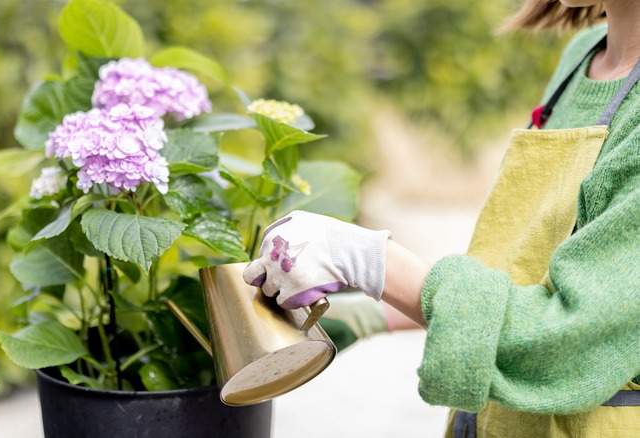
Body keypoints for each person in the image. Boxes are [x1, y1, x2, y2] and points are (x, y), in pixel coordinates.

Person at [242, 0, 640, 436]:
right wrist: (380, 313)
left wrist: (373, 261)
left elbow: (568, 343)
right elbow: (526, 267)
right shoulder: (584, 56)